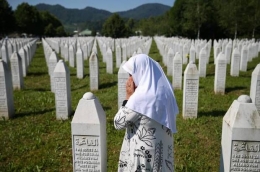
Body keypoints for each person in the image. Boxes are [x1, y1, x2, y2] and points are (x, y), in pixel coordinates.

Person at [114, 54, 179, 172]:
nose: (130, 79)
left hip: (142, 156)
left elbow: (118, 122)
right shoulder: (165, 91)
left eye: (131, 74)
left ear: (141, 72)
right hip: (162, 152)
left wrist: (128, 97)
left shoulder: (140, 98)